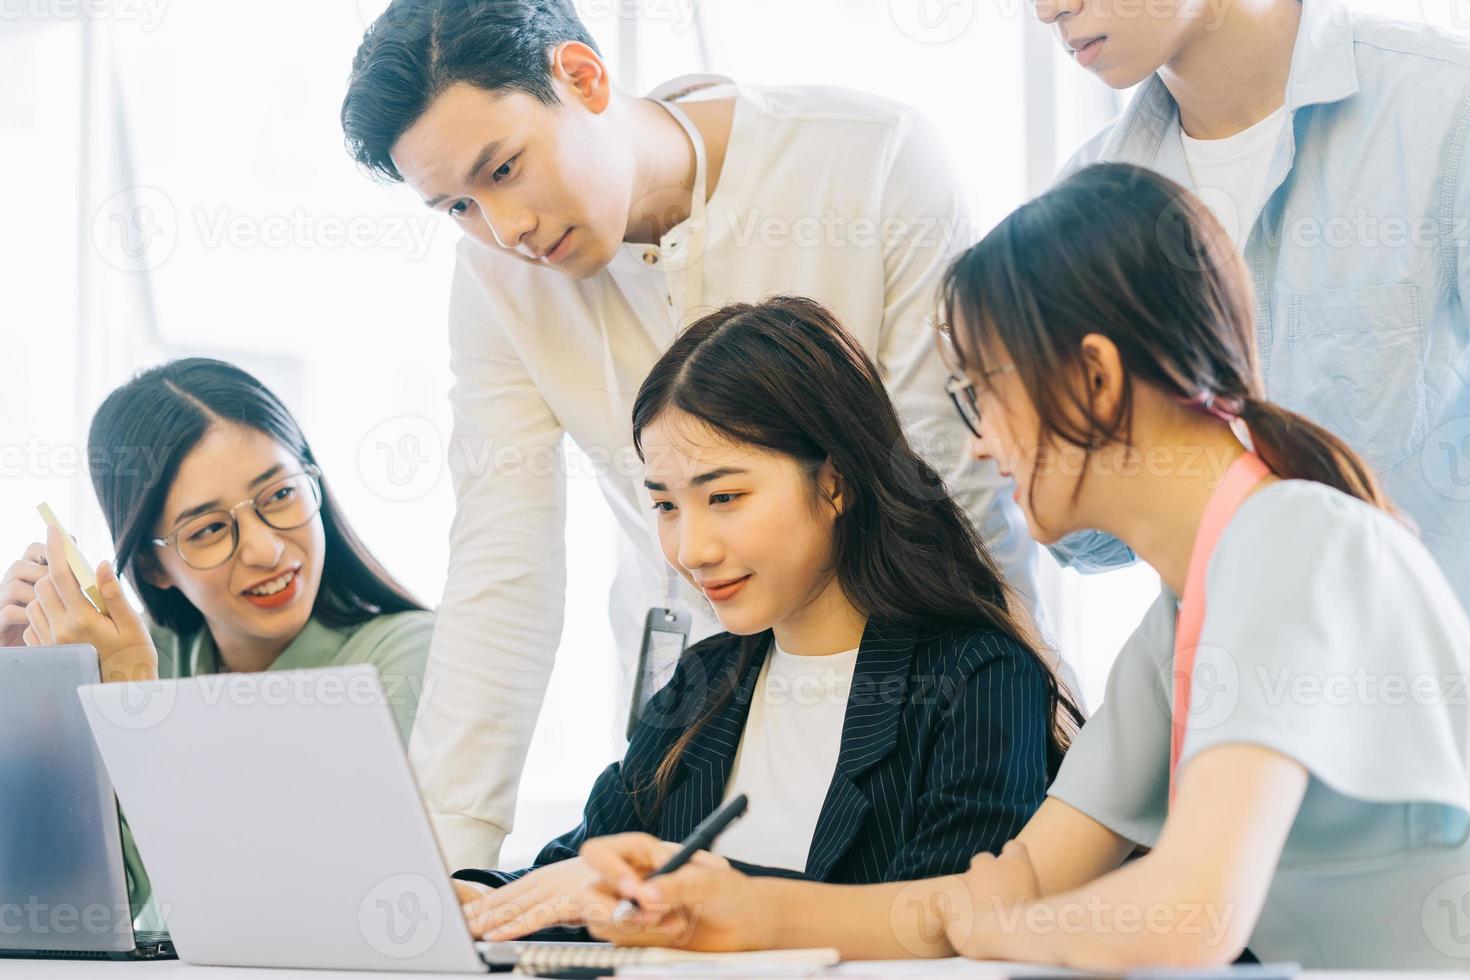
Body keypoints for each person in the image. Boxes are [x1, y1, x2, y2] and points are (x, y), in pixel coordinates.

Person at [563, 166, 1470, 970]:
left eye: (982, 393)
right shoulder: (1182, 617)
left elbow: (1186, 917)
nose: (981, 440)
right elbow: (1023, 877)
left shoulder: (1294, 541)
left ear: (1093, 379)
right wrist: (735, 907)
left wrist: (1002, 926)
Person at [340, 0, 1057, 868]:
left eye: (505, 169)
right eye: (456, 205)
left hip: (921, 715)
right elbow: (503, 562)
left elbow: (952, 487)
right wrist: (443, 883)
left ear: (582, 76)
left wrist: (1014, 719)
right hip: (699, 718)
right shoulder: (495, 277)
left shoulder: (865, 158)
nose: (507, 230)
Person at [446, 296, 1079, 943]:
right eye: (666, 506)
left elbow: (940, 925)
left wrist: (680, 895)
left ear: (835, 484)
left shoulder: (977, 679)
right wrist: (469, 903)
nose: (692, 549)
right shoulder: (702, 681)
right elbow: (577, 876)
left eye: (725, 497)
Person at [1036, 0, 1470, 605]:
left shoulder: (1449, 106)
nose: (1047, 10)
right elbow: (1095, 546)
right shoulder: (1083, 203)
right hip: (1217, 686)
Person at [1, 357, 434, 928]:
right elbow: (71, 911)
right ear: (153, 566)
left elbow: (264, 909)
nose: (265, 550)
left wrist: (134, 698)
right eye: (207, 529)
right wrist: (26, 700)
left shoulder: (412, 656)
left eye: (279, 495)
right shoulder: (150, 659)